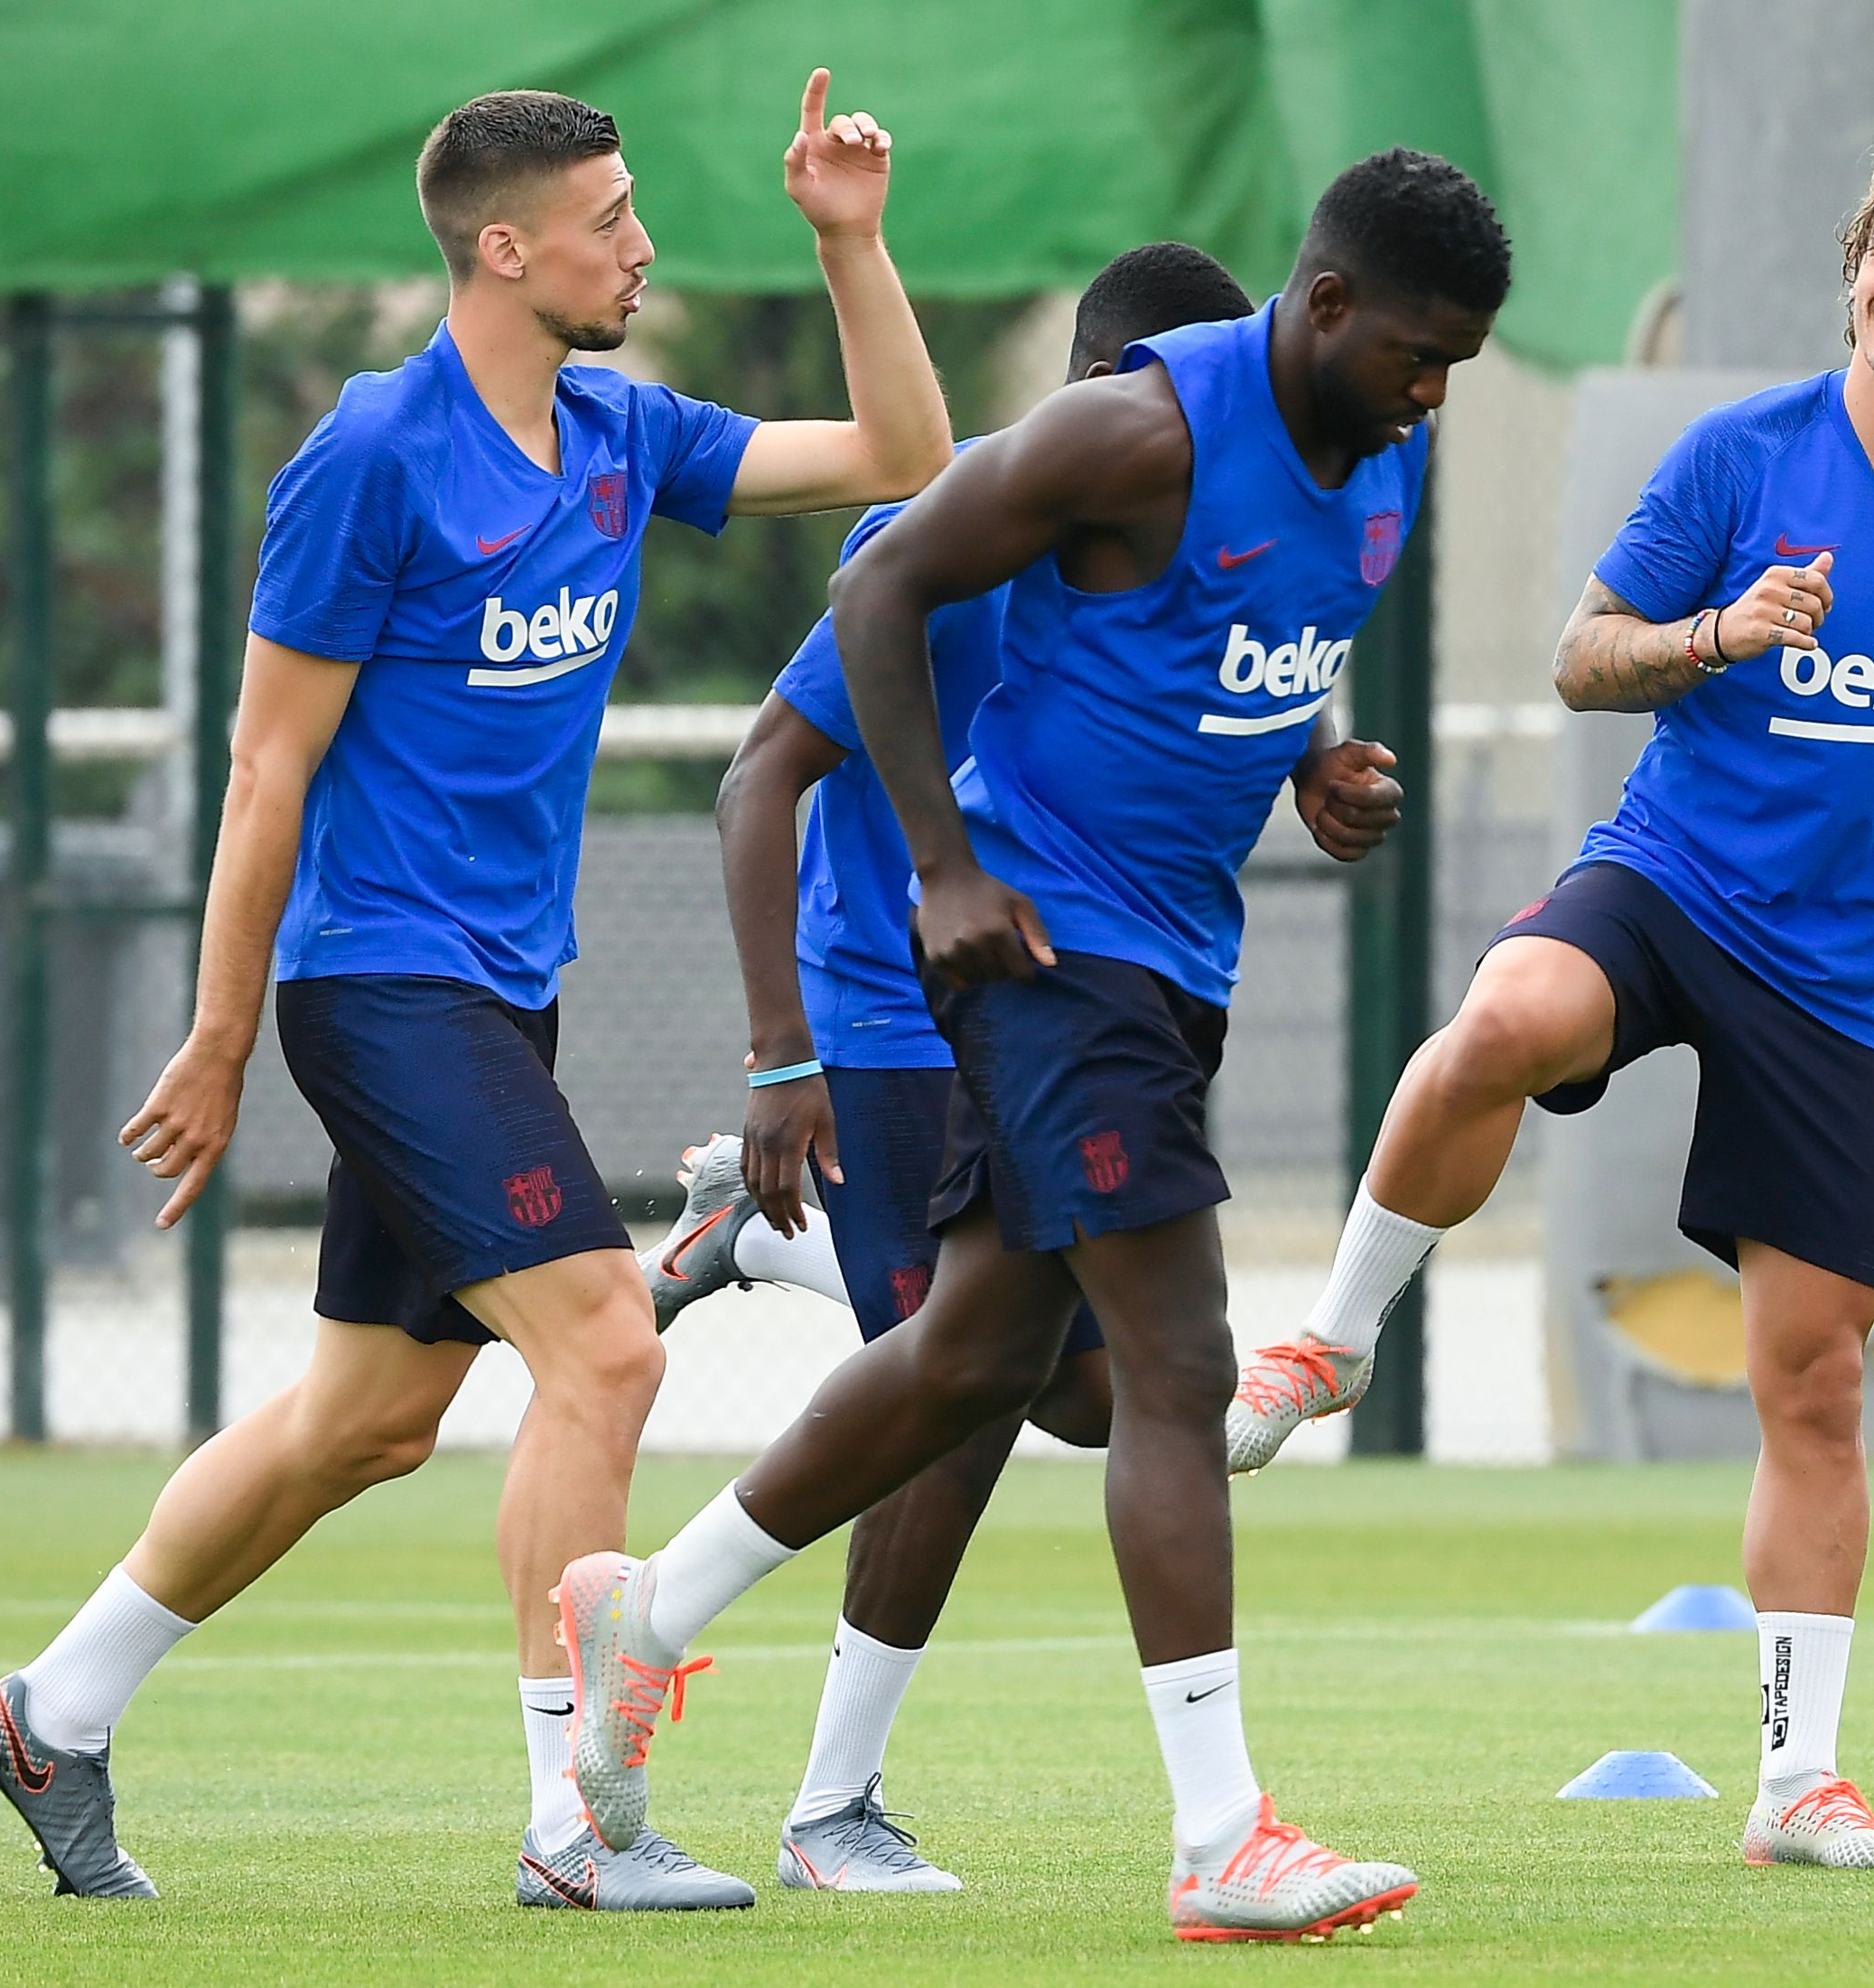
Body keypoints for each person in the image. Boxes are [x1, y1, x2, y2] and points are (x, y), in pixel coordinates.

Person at [0, 76, 955, 1913]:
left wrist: (850, 239)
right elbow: (267, 771)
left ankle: (52, 1711)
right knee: (606, 1345)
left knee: (371, 1420)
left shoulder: (620, 432)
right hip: (377, 984)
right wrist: (223, 1030)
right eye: (610, 218)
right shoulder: (372, 457)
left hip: (495, 995)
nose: (641, 245)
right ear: (508, 248)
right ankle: (574, 1827)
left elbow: (899, 452)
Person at [544, 148, 1505, 1942]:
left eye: (1459, 363)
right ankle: (1221, 1835)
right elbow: (874, 597)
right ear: (1321, 309)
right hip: (1054, 950)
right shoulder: (1128, 440)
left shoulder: (1384, 452)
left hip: (1164, 957)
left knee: (974, 1355)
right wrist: (943, 868)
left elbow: (1227, 640)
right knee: (1175, 1359)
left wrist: (1316, 763)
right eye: (1413, 355)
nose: (1432, 393)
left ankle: (646, 1614)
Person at [1225, 128, 1874, 1872]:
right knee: (1501, 1018)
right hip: (1672, 886)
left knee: (1813, 1384)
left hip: (1838, 975)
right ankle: (1331, 1335)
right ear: (1854, 268)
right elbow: (1577, 656)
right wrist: (1716, 636)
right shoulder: (1738, 455)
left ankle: (1796, 1783)